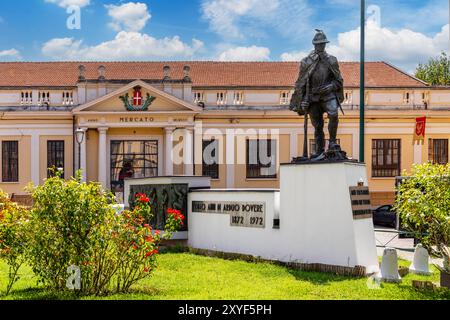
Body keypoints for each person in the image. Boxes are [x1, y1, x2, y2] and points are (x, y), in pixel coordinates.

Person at [290, 29, 345, 160]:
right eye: (318, 44)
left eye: (323, 43)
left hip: (328, 94)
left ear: (325, 44)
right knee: (318, 125)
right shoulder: (306, 62)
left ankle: (332, 142)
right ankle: (319, 149)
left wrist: (331, 86)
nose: (321, 46)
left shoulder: (331, 60)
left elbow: (339, 80)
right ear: (314, 45)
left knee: (333, 114)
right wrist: (302, 100)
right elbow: (301, 83)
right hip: (313, 97)